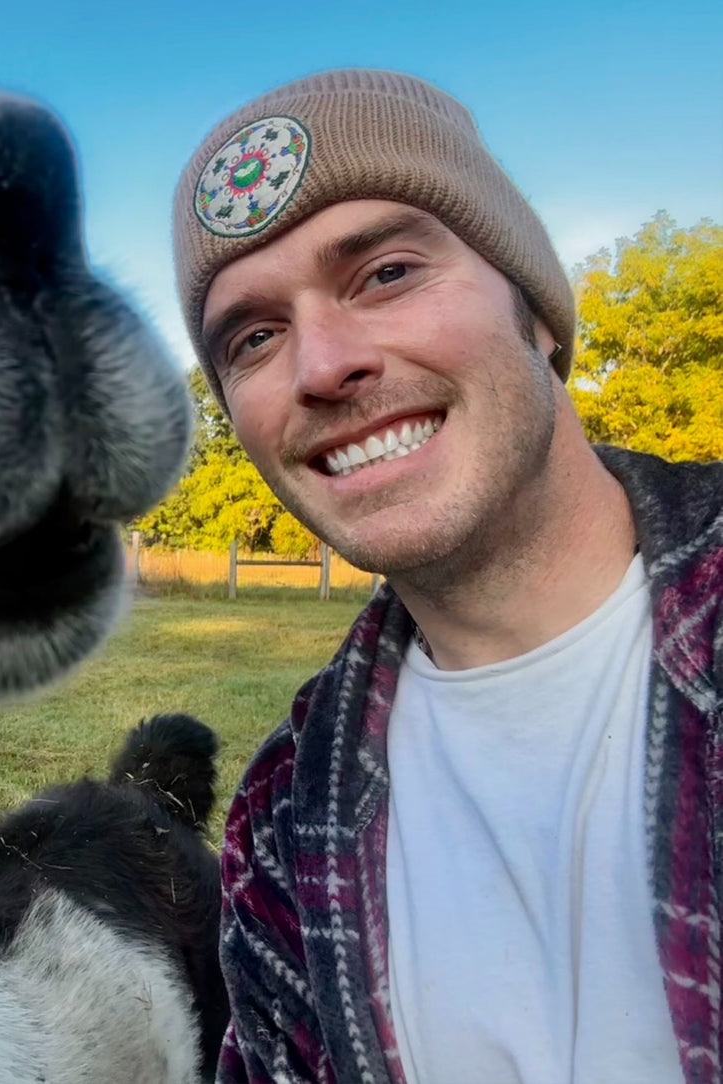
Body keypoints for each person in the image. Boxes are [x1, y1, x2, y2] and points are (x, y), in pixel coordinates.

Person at [172, 70, 722, 1084]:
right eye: (252, 337)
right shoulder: (283, 823)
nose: (321, 366)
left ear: (537, 312)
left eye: (383, 273)